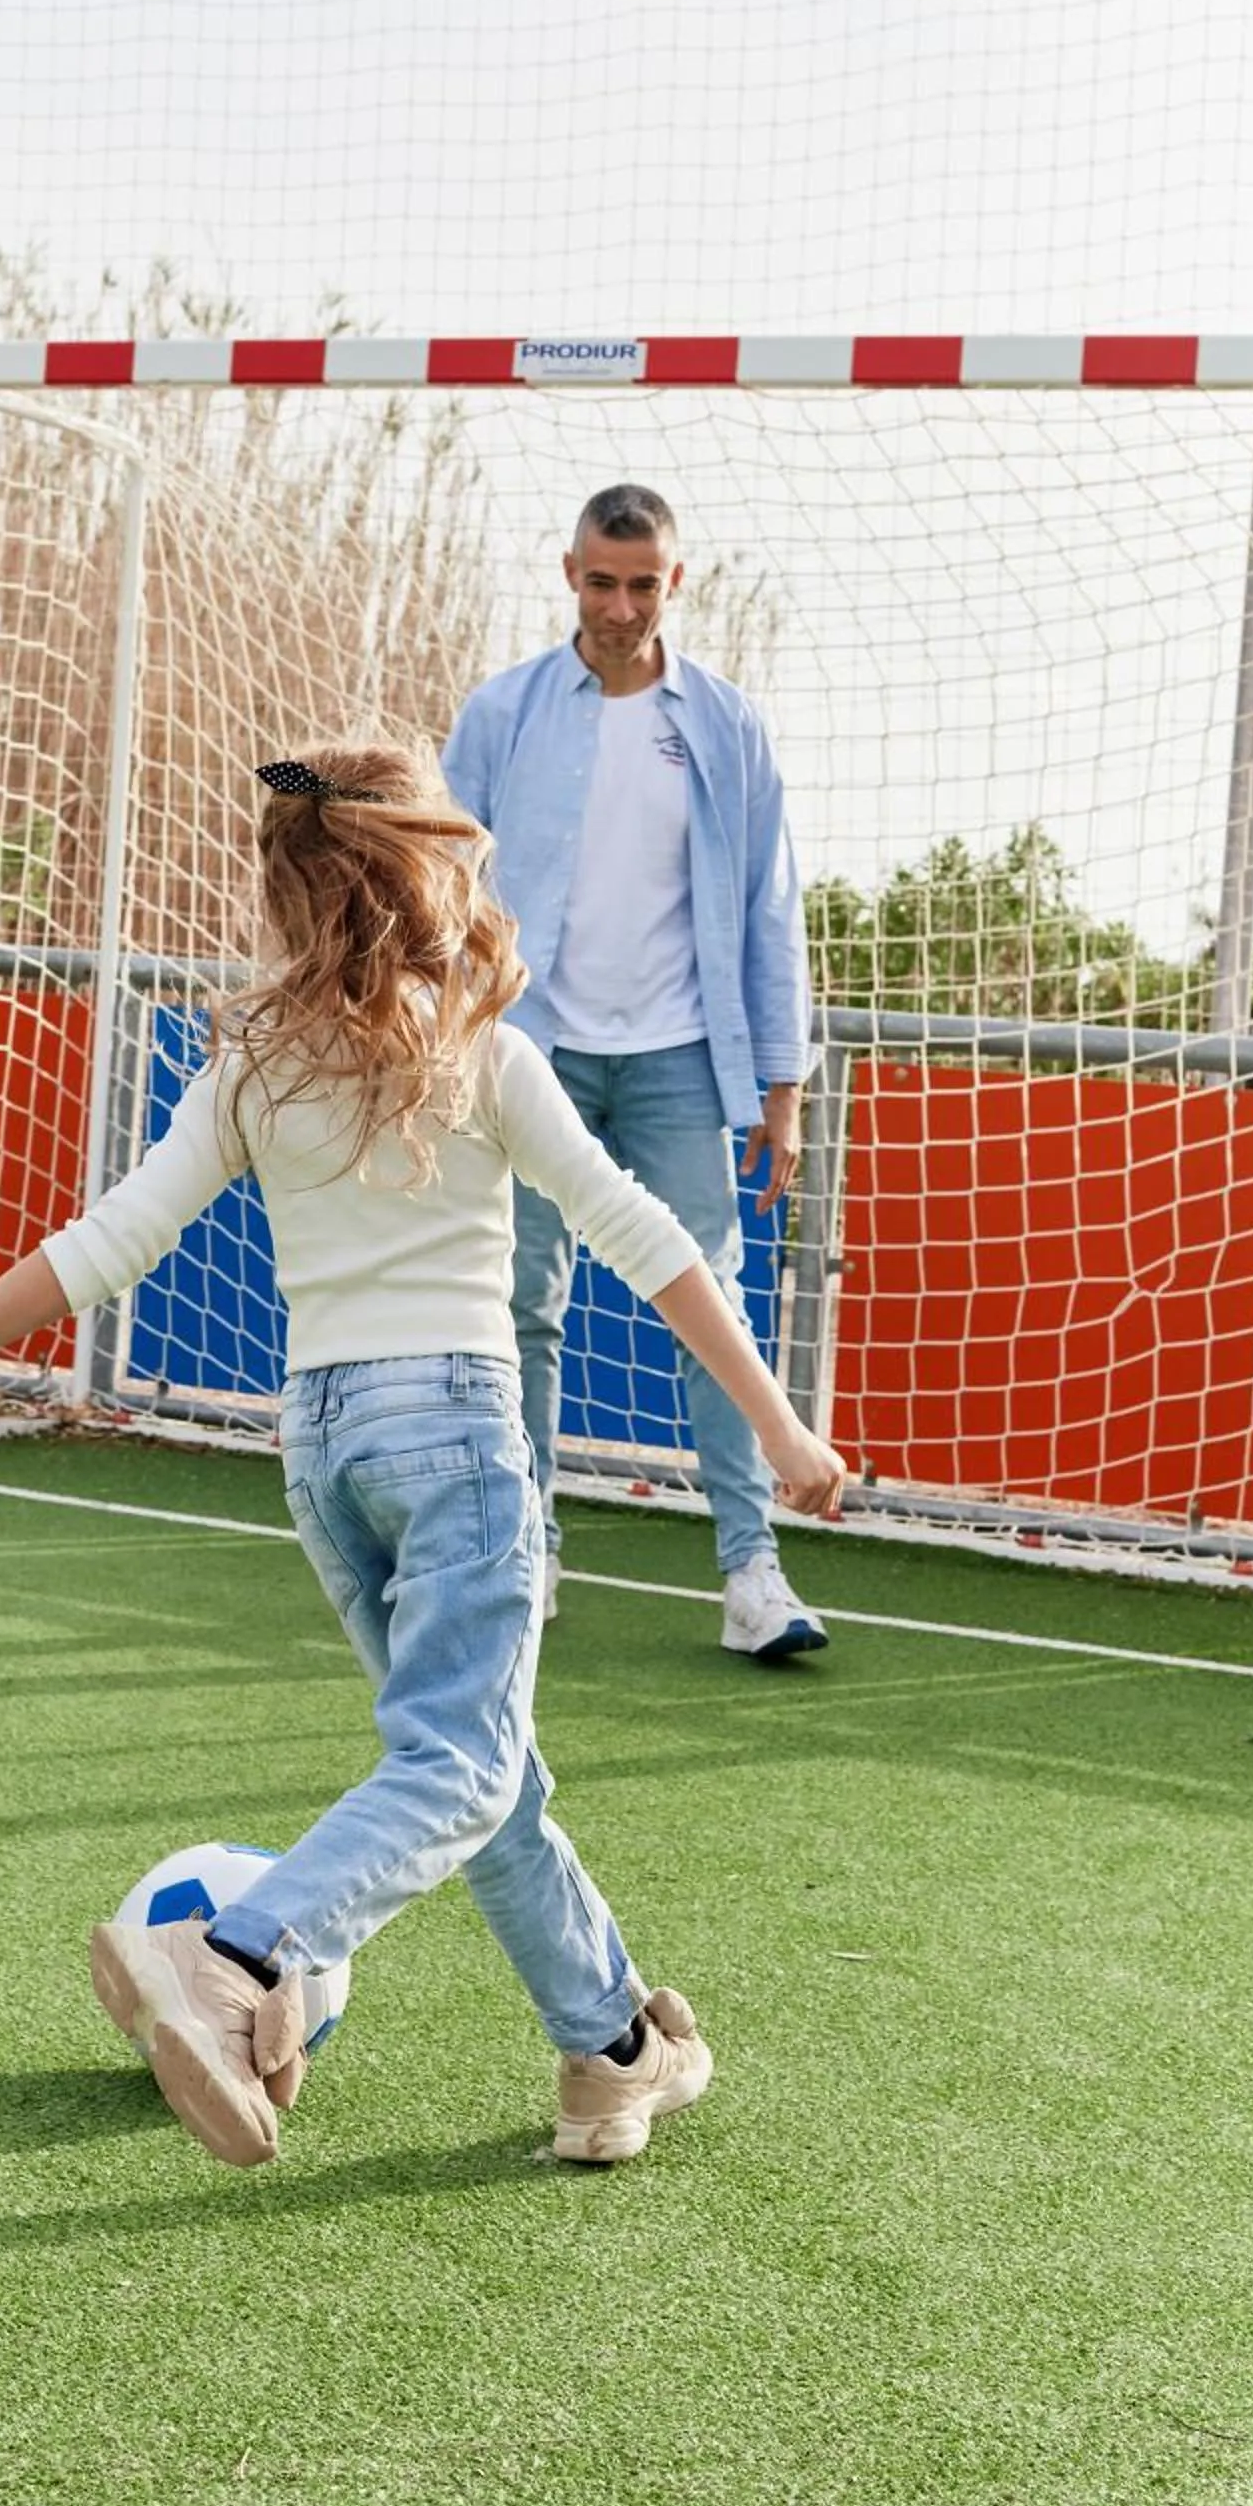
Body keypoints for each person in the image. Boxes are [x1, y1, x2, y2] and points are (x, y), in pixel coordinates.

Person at [0, 739, 847, 2173]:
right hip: (457, 1438)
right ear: (429, 871)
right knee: (458, 1765)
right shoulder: (485, 1054)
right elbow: (650, 1239)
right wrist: (779, 1422)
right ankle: (242, 1955)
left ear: (292, 887)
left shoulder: (252, 1059)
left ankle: (612, 2052)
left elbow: (119, 1234)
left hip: (319, 1448)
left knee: (486, 1772)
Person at [441, 483, 827, 1663]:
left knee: (707, 1300)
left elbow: (769, 907)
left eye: (641, 583)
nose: (619, 606)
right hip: (528, 1048)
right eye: (600, 582)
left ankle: (751, 1572)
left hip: (673, 1057)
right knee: (521, 1308)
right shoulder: (502, 714)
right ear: (568, 574)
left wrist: (782, 1085)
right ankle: (530, 1548)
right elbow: (439, 879)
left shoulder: (724, 723)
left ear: (674, 582)